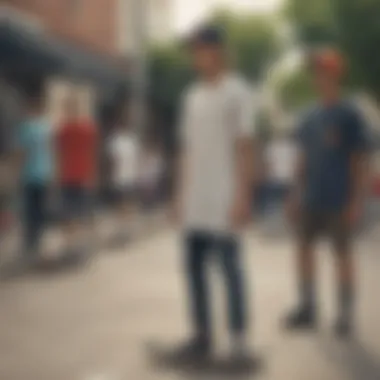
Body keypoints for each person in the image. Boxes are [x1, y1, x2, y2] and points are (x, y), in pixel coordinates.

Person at [172, 25, 255, 358]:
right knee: (192, 267)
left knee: (230, 268)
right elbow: (186, 150)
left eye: (199, 48)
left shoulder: (238, 91)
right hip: (196, 198)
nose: (195, 55)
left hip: (225, 195)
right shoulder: (191, 96)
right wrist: (179, 195)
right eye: (192, 49)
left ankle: (238, 339)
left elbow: (245, 146)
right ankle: (202, 335)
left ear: (216, 50)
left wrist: (243, 196)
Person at [285, 49, 369, 337]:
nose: (319, 76)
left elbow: (359, 159)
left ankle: (345, 314)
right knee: (303, 249)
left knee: (342, 254)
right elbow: (303, 158)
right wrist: (294, 194)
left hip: (339, 198)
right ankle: (307, 307)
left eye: (324, 70)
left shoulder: (350, 114)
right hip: (311, 196)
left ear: (336, 73)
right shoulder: (309, 116)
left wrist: (357, 200)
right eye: (316, 71)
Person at [55, 94, 98, 257]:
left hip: (80, 176)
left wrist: (92, 175)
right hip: (68, 176)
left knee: (78, 212)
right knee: (69, 213)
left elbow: (91, 153)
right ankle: (71, 246)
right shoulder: (64, 129)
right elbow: (59, 154)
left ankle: (77, 246)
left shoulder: (86, 129)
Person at [15, 85, 54, 262]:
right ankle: (37, 243)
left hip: (29, 175)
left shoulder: (26, 128)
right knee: (40, 211)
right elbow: (53, 152)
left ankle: (30, 244)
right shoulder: (48, 128)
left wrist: (14, 174)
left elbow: (21, 153)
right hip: (45, 174)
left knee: (29, 212)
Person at [107, 107, 139, 242]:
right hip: (121, 176)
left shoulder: (130, 140)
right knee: (121, 204)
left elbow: (135, 158)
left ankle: (125, 229)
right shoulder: (118, 140)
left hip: (128, 176)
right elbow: (112, 160)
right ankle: (122, 229)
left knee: (126, 204)